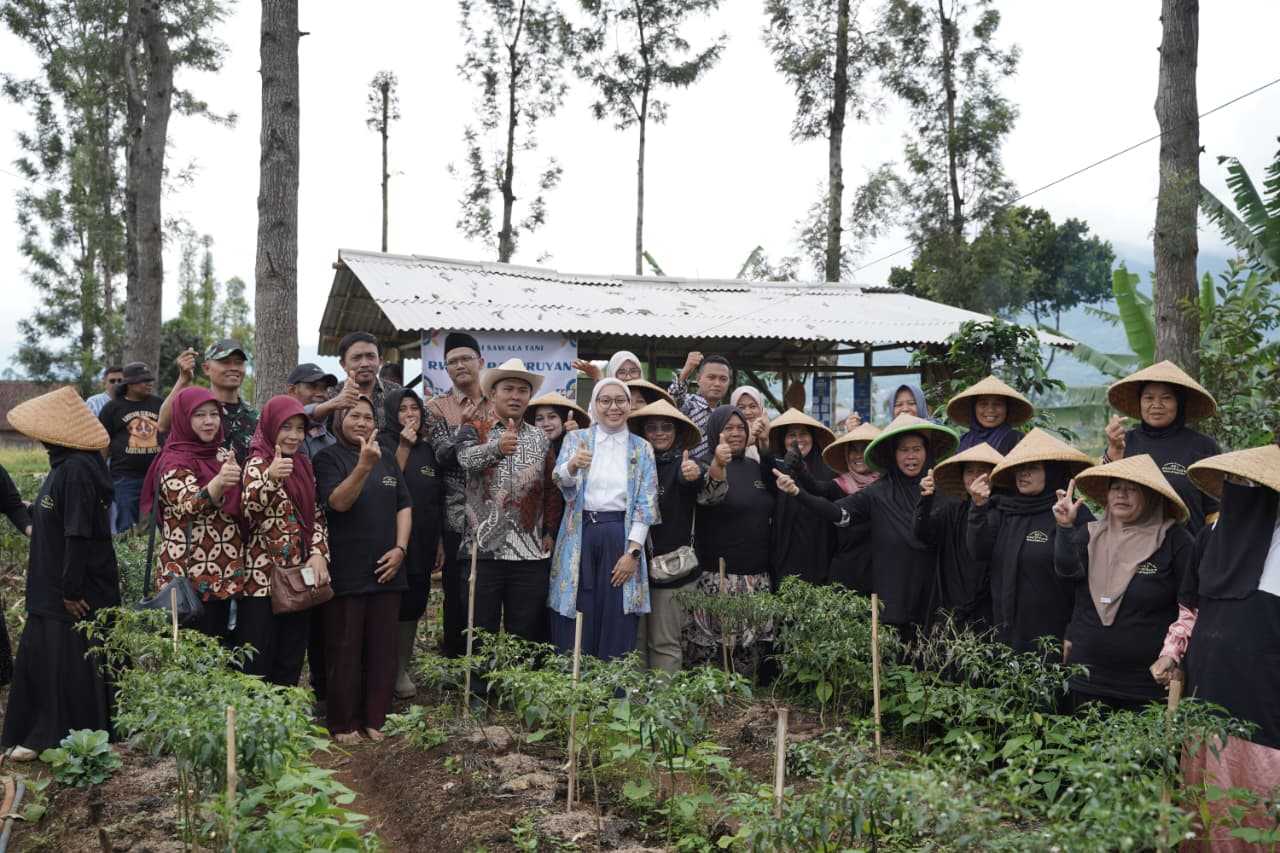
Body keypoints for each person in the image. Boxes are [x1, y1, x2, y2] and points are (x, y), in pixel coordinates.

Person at [1161, 443, 1280, 847]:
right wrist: (1171, 653)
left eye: (1250, 483)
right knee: (1202, 799)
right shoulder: (1210, 537)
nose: (1240, 490)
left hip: (1265, 704)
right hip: (1205, 690)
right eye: (1234, 482)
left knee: (1256, 804)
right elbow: (1189, 609)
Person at [1, 388, 118, 761]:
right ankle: (42, 733)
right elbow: (58, 519)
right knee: (46, 658)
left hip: (71, 589)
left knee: (69, 663)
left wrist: (70, 589)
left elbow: (79, 534)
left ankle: (61, 737)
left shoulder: (78, 471)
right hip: (50, 584)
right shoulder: (63, 467)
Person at [776, 414, 959, 642]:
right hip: (891, 597)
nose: (910, 456)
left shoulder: (944, 493)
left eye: (916, 449)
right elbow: (838, 513)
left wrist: (929, 499)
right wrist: (798, 493)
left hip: (932, 595)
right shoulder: (878, 492)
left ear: (927, 452)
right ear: (893, 454)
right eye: (903, 450)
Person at [1053, 454, 1193, 712]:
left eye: (1132, 490)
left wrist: (1173, 655)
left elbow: (1191, 605)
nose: (1121, 495)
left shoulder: (1176, 541)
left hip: (1147, 681)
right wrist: (1064, 527)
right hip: (1087, 676)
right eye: (1116, 488)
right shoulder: (1090, 534)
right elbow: (1067, 574)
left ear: (1151, 496)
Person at [314, 397, 411, 743]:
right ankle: (343, 722)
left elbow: (404, 504)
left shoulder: (385, 454)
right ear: (339, 420)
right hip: (347, 569)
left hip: (388, 569)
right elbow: (338, 503)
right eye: (353, 415)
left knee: (384, 650)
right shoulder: (328, 458)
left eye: (367, 417)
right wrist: (363, 466)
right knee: (345, 648)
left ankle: (375, 718)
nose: (361, 422)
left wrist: (401, 549)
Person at [548, 378, 660, 660]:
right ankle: (574, 688)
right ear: (595, 405)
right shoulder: (577, 439)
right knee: (578, 607)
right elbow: (560, 483)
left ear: (629, 405)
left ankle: (614, 693)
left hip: (620, 536)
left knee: (617, 611)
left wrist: (633, 553)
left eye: (620, 400)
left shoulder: (642, 447)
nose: (613, 407)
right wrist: (572, 465)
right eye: (605, 400)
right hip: (579, 535)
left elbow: (646, 505)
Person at [455, 358, 562, 648]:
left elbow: (552, 488)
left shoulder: (541, 438)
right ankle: (478, 693)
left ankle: (515, 694)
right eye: (508, 389)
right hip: (482, 550)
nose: (515, 396)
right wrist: (496, 449)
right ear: (493, 393)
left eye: (522, 390)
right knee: (480, 633)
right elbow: (463, 459)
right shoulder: (473, 428)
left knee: (525, 634)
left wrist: (550, 530)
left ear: (530, 397)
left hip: (529, 553)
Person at [965, 428, 1094, 655]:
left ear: (1052, 472)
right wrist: (977, 509)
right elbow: (979, 551)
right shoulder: (1004, 509)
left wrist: (1073, 632)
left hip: (1053, 635)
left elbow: (1080, 579)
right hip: (1005, 634)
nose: (1023, 474)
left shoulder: (1074, 514)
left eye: (1032, 468)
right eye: (1020, 469)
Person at [239, 396, 332, 687]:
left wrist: (319, 553)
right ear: (269, 427)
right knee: (258, 659)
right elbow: (246, 509)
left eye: (299, 429)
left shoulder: (303, 464)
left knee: (291, 658)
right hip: (262, 581)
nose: (293, 436)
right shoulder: (257, 462)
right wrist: (270, 478)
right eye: (286, 427)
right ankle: (255, 730)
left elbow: (316, 514)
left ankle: (286, 726)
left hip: (298, 577)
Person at [142, 386, 245, 640]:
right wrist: (218, 484)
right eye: (199, 415)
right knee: (189, 658)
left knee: (220, 656)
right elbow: (187, 505)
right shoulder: (174, 460)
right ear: (183, 418)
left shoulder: (221, 453)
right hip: (188, 578)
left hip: (224, 573)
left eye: (214, 414)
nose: (209, 421)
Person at [682, 405, 768, 674]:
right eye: (728, 428)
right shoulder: (702, 464)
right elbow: (710, 496)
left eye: (740, 428)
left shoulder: (755, 467)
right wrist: (719, 464)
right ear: (714, 431)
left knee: (748, 657)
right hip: (718, 578)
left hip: (755, 578)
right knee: (712, 657)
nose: (736, 433)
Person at [426, 331, 495, 657]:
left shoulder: (499, 402)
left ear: (481, 362)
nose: (460, 365)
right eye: (452, 361)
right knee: (456, 591)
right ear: (446, 368)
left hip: (499, 512)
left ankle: (491, 662)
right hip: (456, 515)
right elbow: (442, 456)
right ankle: (455, 663)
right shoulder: (437, 408)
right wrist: (464, 430)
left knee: (493, 588)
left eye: (466, 358)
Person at [376, 389, 444, 700]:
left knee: (415, 604)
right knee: (389, 603)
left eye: (414, 408)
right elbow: (390, 483)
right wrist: (403, 444)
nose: (409, 414)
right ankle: (381, 669)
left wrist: (440, 540)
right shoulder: (382, 444)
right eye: (402, 409)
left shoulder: (429, 450)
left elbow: (436, 499)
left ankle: (401, 667)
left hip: (424, 540)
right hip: (389, 541)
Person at [629, 399, 704, 672]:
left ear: (677, 434)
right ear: (643, 432)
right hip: (632, 568)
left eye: (666, 428)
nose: (659, 433)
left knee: (664, 642)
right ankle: (633, 709)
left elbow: (695, 480)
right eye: (652, 428)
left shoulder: (683, 464)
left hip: (670, 569)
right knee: (634, 642)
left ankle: (663, 710)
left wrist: (694, 474)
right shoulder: (633, 465)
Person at [1103, 360, 1221, 533]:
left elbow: (1215, 509)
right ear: (1140, 402)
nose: (1156, 405)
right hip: (1131, 549)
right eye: (1149, 398)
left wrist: (1210, 547)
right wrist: (1114, 451)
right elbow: (1105, 495)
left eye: (1166, 398)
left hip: (1188, 551)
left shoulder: (1202, 446)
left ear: (1179, 403)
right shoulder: (1124, 441)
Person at [915, 442, 1003, 630]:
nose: (975, 477)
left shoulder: (1004, 510)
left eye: (982, 471)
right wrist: (925, 499)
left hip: (988, 604)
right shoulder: (953, 509)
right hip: (951, 601)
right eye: (969, 471)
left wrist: (980, 507)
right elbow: (923, 534)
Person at [765, 409, 837, 586]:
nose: (798, 440)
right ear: (784, 440)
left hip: (820, 553)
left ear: (813, 437)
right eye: (791, 435)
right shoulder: (777, 468)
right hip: (785, 554)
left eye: (804, 433)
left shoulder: (828, 470)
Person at [160, 340, 258, 464]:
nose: (233, 368)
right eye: (225, 362)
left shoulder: (255, 417)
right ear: (206, 368)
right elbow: (163, 425)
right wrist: (183, 380)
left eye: (238, 363)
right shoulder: (195, 407)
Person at [98, 361, 163, 532]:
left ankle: (155, 557)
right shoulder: (112, 408)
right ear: (130, 384)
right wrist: (100, 474)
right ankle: (126, 558)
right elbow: (103, 443)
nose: (149, 384)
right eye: (144, 380)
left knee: (159, 524)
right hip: (125, 477)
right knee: (126, 525)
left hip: (158, 475)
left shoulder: (159, 404)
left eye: (150, 380)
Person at [820, 422, 881, 593]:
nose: (858, 455)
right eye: (853, 449)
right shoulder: (836, 486)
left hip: (880, 577)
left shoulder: (887, 487)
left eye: (865, 449)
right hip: (846, 578)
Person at [668, 352, 733, 458]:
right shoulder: (687, 403)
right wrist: (685, 373)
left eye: (723, 379)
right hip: (684, 470)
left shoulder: (727, 414)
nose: (717, 383)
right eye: (711, 377)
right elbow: (669, 401)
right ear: (698, 379)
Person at [946, 375, 1030, 455]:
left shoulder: (1018, 440)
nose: (990, 410)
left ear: (1007, 409)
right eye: (983, 404)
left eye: (997, 404)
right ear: (973, 408)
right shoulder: (962, 441)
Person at [284, 363, 339, 458]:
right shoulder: (279, 431)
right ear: (292, 391)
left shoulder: (332, 441)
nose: (321, 394)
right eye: (312, 386)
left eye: (324, 388)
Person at [526, 392, 590, 462]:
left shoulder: (581, 447)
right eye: (539, 419)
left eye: (552, 417)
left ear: (563, 420)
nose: (546, 423)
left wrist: (575, 439)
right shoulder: (526, 448)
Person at [730, 386, 770, 459]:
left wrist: (764, 441)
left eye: (753, 406)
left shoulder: (772, 433)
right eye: (741, 407)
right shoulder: (729, 435)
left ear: (761, 409)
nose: (748, 412)